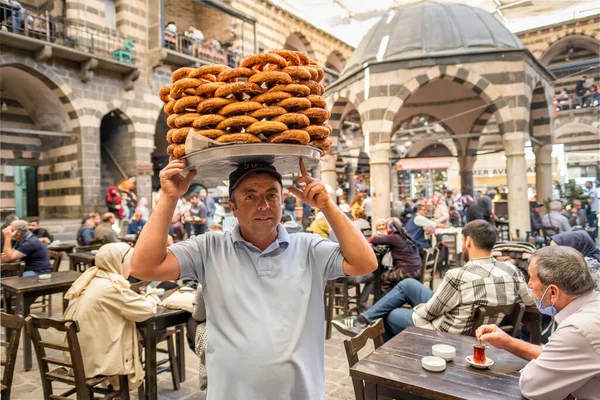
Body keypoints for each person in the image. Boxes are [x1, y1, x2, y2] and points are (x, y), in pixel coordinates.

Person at [130, 158, 377, 399]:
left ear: (282, 200)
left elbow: (365, 263)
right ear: (233, 206)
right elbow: (144, 267)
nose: (263, 205)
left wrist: (327, 206)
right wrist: (170, 197)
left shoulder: (309, 248)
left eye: (272, 195)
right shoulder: (209, 248)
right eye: (250, 195)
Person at [333, 220, 533, 340]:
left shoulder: (458, 276)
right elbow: (528, 301)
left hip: (449, 334)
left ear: (468, 241)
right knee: (408, 285)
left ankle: (391, 358)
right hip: (469, 323)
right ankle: (361, 320)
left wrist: (412, 309)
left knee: (390, 315)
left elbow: (428, 314)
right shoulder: (512, 270)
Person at [476, 246, 599, 400]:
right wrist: (507, 342)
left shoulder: (579, 328)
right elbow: (556, 355)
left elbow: (532, 386)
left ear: (552, 292)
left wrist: (538, 371)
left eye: (532, 278)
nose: (529, 285)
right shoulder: (592, 307)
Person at [63, 243, 161, 390]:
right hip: (94, 359)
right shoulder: (111, 287)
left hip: (78, 353)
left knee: (136, 332)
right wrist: (150, 294)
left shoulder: (91, 278)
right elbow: (146, 310)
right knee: (151, 334)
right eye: (130, 260)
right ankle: (125, 386)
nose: (132, 265)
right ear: (119, 262)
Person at [371, 218, 422, 292]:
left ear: (391, 228)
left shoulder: (394, 237)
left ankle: (391, 299)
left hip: (408, 272)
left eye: (386, 226)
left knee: (384, 277)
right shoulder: (406, 235)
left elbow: (374, 240)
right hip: (416, 269)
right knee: (391, 272)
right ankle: (399, 294)